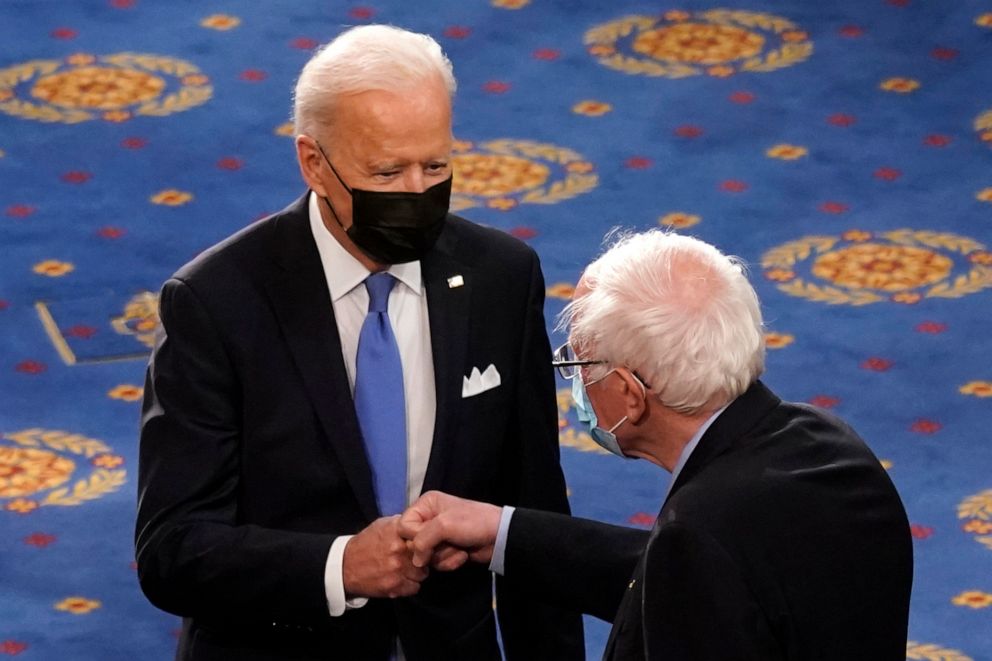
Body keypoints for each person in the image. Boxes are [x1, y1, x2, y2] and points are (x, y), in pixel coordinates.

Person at [135, 24, 582, 661]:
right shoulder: (215, 303)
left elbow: (535, 517)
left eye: (436, 166)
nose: (417, 194)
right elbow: (172, 550)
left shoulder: (501, 278)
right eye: (386, 171)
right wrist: (342, 565)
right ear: (314, 163)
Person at [400, 230, 914, 660]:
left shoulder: (702, 531)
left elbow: (694, 571)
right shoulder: (829, 445)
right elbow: (690, 579)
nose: (574, 384)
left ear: (629, 393)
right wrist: (501, 534)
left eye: (578, 365)